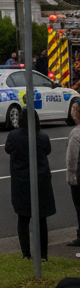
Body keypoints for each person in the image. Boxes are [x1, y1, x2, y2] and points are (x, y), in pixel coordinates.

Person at [4, 96, 56, 259]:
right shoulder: (42, 137)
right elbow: (47, 151)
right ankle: (43, 255)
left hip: (21, 181)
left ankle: (26, 253)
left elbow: (8, 150)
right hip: (40, 180)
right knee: (41, 219)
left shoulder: (14, 136)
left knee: (23, 218)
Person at [67, 101, 80, 247]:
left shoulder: (76, 134)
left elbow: (71, 159)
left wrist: (71, 177)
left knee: (79, 207)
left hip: (78, 176)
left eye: (73, 108)